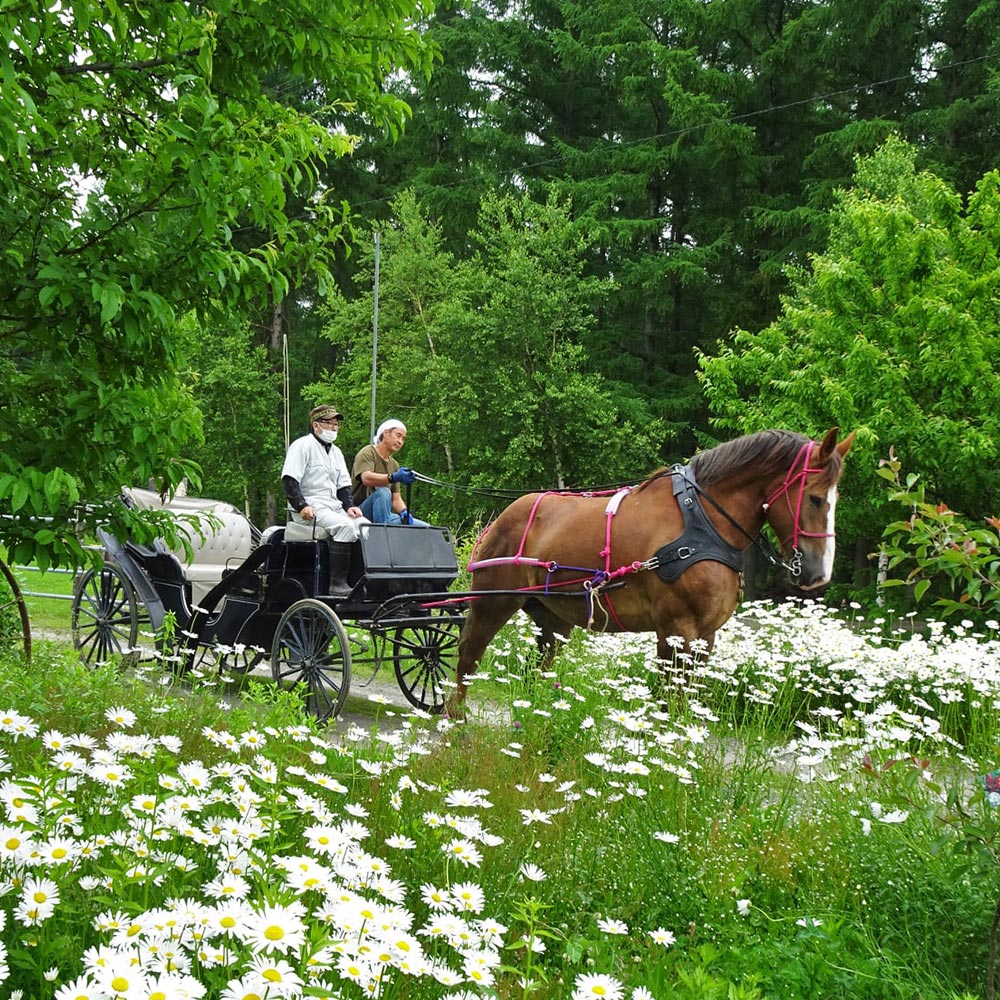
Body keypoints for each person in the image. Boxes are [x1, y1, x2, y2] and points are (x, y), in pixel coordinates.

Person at [281, 404, 368, 595]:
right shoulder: (302, 446)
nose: (334, 427)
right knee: (344, 527)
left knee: (365, 526)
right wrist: (301, 505)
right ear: (316, 425)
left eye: (336, 423)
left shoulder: (336, 452)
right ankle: (337, 584)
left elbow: (343, 486)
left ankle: (361, 580)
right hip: (310, 506)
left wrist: (349, 506)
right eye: (329, 423)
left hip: (332, 506)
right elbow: (289, 480)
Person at [352, 418, 428, 527]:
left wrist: (404, 512)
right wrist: (393, 477)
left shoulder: (394, 465)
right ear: (386, 433)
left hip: (384, 515)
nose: (400, 441)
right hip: (359, 512)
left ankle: (387, 529)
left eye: (403, 439)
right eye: (398, 435)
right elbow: (366, 478)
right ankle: (382, 537)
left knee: (424, 528)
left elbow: (396, 499)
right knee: (383, 492)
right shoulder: (367, 452)